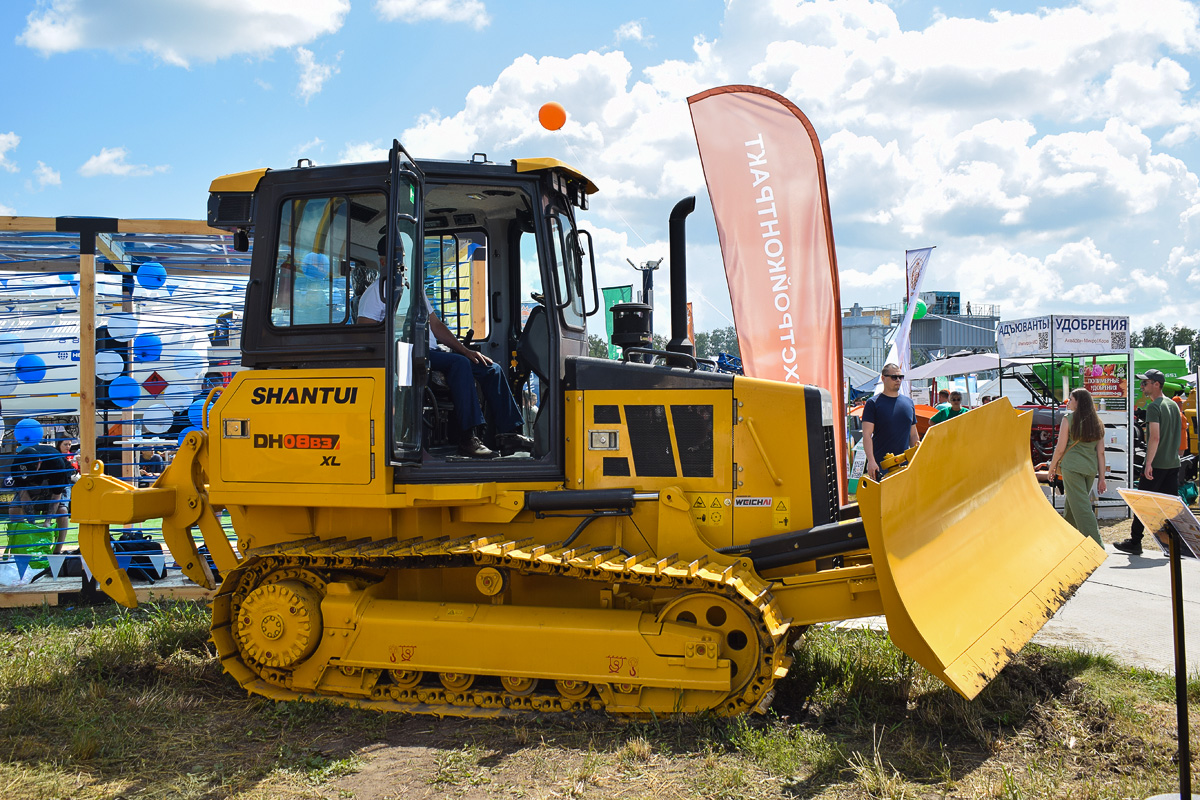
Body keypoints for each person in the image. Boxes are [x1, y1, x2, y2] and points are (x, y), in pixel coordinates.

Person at [357, 237, 532, 459]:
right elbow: (367, 333)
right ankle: (468, 438)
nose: (403, 267)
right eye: (398, 260)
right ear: (383, 263)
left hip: (431, 351)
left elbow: (436, 326)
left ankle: (510, 435)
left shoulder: (414, 291)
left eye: (405, 261)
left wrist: (466, 351)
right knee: (458, 365)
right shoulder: (375, 294)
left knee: (490, 368)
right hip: (405, 354)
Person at [1115, 369, 1182, 555]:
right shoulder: (1173, 405)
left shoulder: (1154, 407)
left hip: (1157, 464)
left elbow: (1154, 438)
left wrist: (1149, 463)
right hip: (1173, 463)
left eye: (1146, 382)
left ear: (1157, 384)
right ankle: (1174, 545)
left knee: (1142, 503)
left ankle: (1135, 542)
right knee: (1170, 508)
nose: (1142, 385)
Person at [1047, 388, 1107, 547]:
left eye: (1071, 399)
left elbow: (1060, 448)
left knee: (1081, 506)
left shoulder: (1069, 419)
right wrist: (1102, 478)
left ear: (1078, 401)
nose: (1068, 401)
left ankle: (1096, 545)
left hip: (1072, 467)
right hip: (1090, 469)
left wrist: (1051, 468)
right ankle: (1067, 541)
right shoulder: (1098, 422)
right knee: (1074, 505)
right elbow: (1100, 452)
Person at [11, 433, 73, 554]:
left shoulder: (56, 463)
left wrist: (47, 521)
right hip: (33, 484)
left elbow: (56, 495)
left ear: (39, 463)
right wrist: (32, 525)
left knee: (62, 511)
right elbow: (24, 495)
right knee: (14, 509)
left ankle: (57, 551)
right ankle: (21, 549)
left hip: (57, 480)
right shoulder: (17, 465)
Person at [862, 363, 919, 480]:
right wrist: (871, 461)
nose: (898, 380)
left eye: (900, 377)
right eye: (894, 377)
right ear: (883, 378)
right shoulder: (873, 403)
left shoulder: (908, 403)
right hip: (881, 466)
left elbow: (913, 434)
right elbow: (867, 434)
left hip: (905, 466)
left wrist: (918, 457)